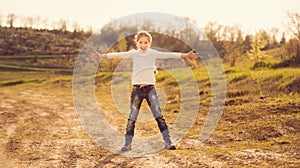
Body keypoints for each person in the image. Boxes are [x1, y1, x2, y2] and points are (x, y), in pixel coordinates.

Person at [98, 31, 198, 151]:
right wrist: (102, 56)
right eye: (140, 42)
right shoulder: (134, 54)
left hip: (150, 89)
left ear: (150, 43)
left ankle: (168, 142)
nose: (143, 45)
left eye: (146, 42)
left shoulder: (153, 53)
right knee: (132, 117)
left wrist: (186, 55)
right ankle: (127, 144)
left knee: (159, 116)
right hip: (137, 90)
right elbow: (119, 55)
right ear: (137, 43)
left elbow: (169, 54)